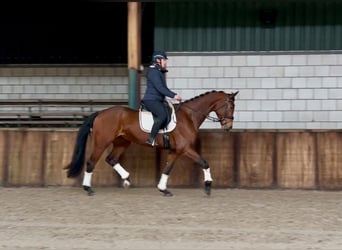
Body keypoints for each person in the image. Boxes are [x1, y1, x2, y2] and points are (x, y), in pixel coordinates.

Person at [141, 51, 182, 146]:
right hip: (151, 100)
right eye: (164, 60)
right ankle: (151, 139)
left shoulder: (158, 72)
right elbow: (160, 88)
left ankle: (165, 135)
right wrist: (173, 95)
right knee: (162, 115)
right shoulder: (153, 72)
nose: (165, 62)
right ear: (158, 60)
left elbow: (164, 88)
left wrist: (172, 95)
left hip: (158, 100)